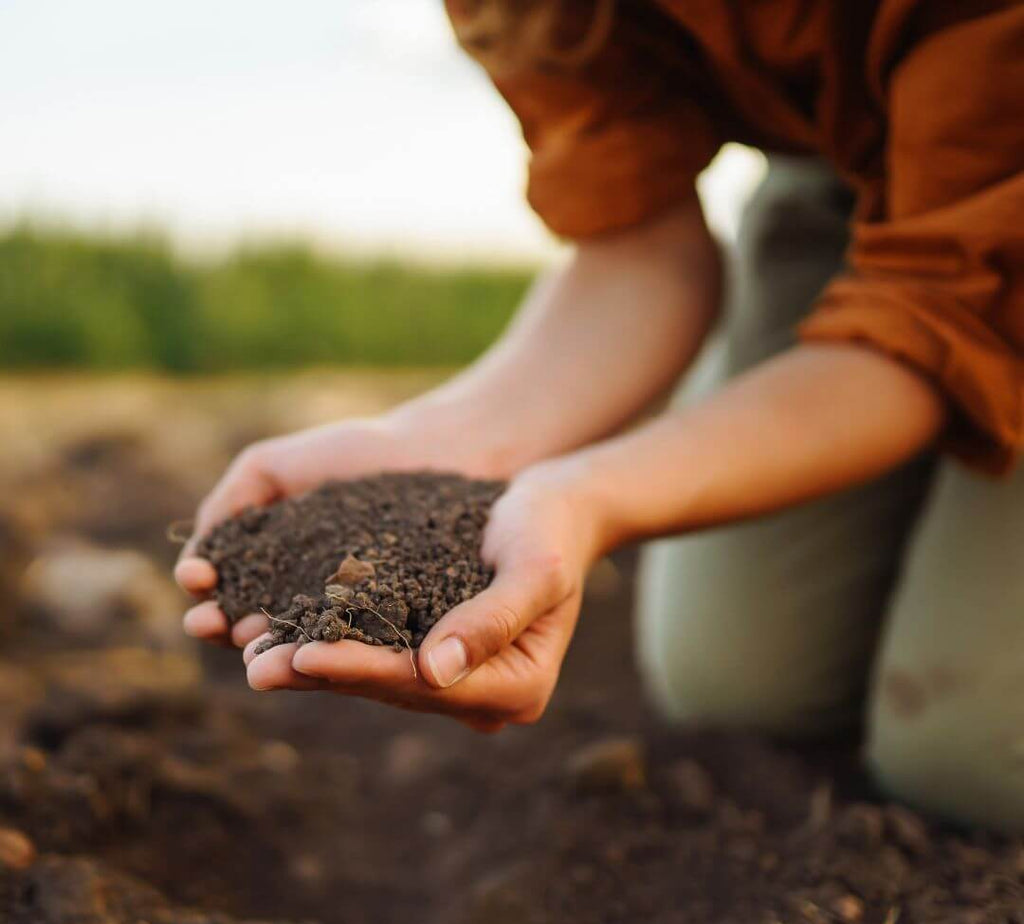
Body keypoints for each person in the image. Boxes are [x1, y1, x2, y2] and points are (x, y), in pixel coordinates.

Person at [176, 0, 1023, 833]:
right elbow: (639, 251)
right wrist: (444, 448)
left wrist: (595, 497)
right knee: (741, 682)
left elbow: (931, 320)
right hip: (852, 163)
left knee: (969, 761)